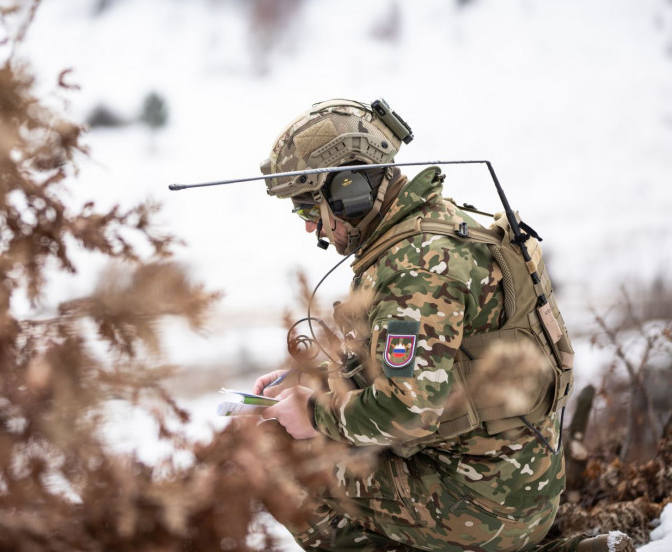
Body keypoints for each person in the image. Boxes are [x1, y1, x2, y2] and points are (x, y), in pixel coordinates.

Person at [252, 98, 633, 552]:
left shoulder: (415, 269)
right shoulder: (443, 224)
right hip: (524, 486)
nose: (311, 229)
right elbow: (428, 367)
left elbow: (408, 412)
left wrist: (313, 414)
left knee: (275, 459)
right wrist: (311, 382)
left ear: (346, 190)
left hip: (481, 505)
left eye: (308, 210)